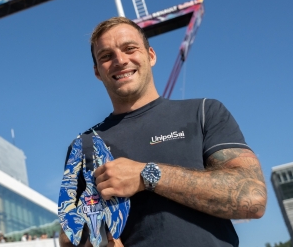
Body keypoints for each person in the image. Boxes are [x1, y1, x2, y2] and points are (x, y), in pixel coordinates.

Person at [59, 17, 267, 247]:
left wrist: (146, 175)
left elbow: (253, 199)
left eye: (130, 49)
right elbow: (69, 237)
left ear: (151, 55)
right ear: (97, 72)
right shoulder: (84, 145)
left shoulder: (204, 113)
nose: (120, 60)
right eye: (106, 56)